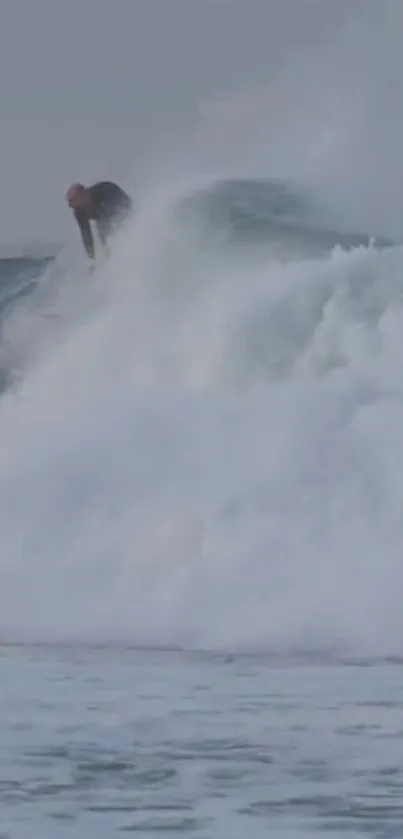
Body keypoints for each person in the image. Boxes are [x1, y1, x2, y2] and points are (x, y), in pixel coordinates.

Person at [66, 181, 132, 267]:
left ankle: (128, 252)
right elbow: (86, 234)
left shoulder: (105, 190)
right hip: (103, 216)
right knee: (103, 236)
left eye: (73, 200)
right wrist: (91, 259)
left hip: (121, 207)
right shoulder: (79, 211)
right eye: (71, 203)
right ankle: (111, 261)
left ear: (83, 193)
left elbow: (120, 211)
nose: (71, 206)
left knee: (112, 230)